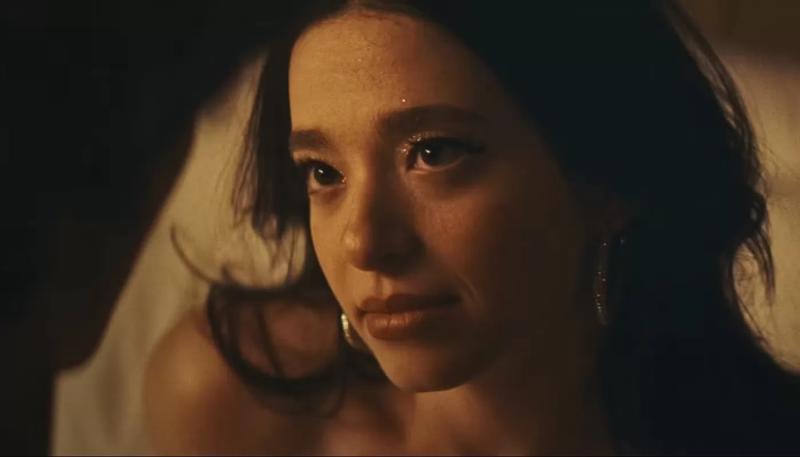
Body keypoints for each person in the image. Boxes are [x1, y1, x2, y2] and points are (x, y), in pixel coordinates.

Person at [145, 1, 800, 454]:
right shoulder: (232, 402)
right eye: (323, 172)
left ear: (606, 183)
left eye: (434, 153)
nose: (363, 243)